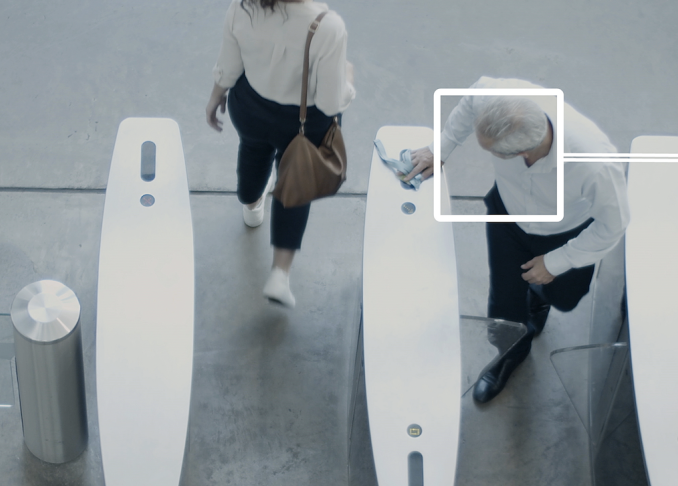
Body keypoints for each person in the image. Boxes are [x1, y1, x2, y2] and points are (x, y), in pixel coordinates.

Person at [405, 77, 630, 403]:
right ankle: (509, 355)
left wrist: (556, 262)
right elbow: (471, 100)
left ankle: (540, 296)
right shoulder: (498, 96)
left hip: (565, 233)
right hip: (507, 220)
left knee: (566, 297)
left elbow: (614, 224)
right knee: (503, 306)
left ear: (523, 151)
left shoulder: (594, 165)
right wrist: (439, 150)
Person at [206, 0, 355, 307]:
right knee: (296, 180)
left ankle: (250, 203)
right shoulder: (328, 26)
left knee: (251, 152)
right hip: (303, 123)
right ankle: (280, 274)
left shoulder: (243, 7)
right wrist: (349, 83)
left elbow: (229, 63)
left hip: (250, 107)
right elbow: (330, 102)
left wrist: (215, 97)